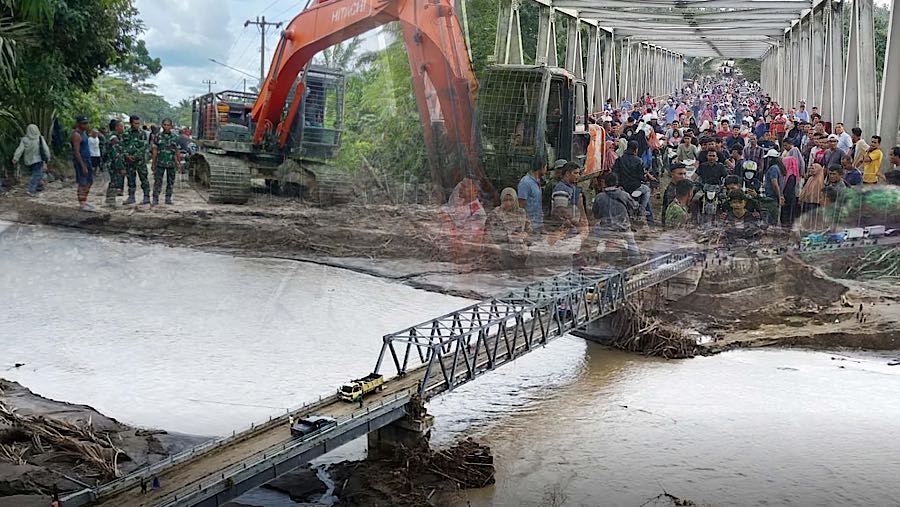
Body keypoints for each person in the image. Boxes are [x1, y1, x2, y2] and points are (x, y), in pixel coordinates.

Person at [590, 173, 640, 263]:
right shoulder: (624, 195)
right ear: (617, 182)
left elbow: (596, 215)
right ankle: (636, 265)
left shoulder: (599, 197)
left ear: (604, 183)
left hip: (605, 230)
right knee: (633, 247)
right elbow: (634, 206)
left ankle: (592, 261)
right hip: (623, 229)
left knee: (592, 243)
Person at [486, 187, 531, 269]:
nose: (508, 203)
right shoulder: (495, 214)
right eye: (505, 200)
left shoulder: (521, 212)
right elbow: (489, 234)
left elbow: (529, 230)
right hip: (502, 251)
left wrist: (525, 235)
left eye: (511, 200)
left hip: (521, 251)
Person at [612, 141, 654, 224]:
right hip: (635, 188)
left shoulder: (619, 159)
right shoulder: (639, 160)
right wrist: (647, 179)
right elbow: (641, 176)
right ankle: (642, 210)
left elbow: (615, 173)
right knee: (647, 190)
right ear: (636, 149)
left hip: (622, 187)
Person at [12, 124, 51, 197]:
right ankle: (31, 190)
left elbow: (20, 149)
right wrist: (48, 157)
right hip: (38, 160)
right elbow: (46, 149)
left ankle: (38, 188)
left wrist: (15, 158)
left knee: (37, 174)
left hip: (28, 161)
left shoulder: (25, 140)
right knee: (37, 175)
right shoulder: (40, 138)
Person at [151, 118, 182, 205]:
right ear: (162, 125)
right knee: (157, 181)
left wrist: (178, 163)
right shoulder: (158, 136)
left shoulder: (175, 137)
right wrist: (153, 163)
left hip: (171, 163)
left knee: (171, 182)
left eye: (168, 125)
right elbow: (155, 150)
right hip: (160, 162)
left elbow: (177, 151)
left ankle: (168, 198)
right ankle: (155, 199)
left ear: (171, 126)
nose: (166, 126)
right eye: (165, 125)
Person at [123, 115, 151, 204]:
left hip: (140, 161)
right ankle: (131, 197)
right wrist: (127, 155)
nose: (137, 125)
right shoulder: (126, 133)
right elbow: (123, 146)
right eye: (135, 123)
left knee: (144, 178)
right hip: (129, 161)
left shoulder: (142, 133)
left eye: (138, 123)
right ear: (131, 123)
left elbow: (144, 146)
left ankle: (146, 197)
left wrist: (136, 155)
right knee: (131, 179)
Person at [71, 115, 95, 211]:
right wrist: (82, 165)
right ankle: (82, 203)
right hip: (81, 160)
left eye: (86, 123)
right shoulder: (76, 135)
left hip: (87, 159)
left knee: (89, 181)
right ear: (78, 124)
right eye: (83, 123)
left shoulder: (84, 134)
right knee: (82, 182)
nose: (86, 125)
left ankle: (84, 200)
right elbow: (76, 152)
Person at [517, 160, 547, 233]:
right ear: (541, 168)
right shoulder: (525, 182)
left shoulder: (537, 182)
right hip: (529, 226)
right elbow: (521, 205)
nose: (546, 170)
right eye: (546, 167)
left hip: (537, 225)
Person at [104, 120, 126, 207]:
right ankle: (110, 200)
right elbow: (116, 154)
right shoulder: (114, 138)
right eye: (121, 126)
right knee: (114, 182)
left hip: (113, 163)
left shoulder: (115, 136)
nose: (123, 128)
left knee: (114, 181)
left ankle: (110, 200)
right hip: (114, 164)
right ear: (116, 127)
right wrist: (121, 167)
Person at [661, 163, 688, 228]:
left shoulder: (679, 187)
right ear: (672, 175)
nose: (683, 177)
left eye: (684, 174)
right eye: (680, 174)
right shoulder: (671, 190)